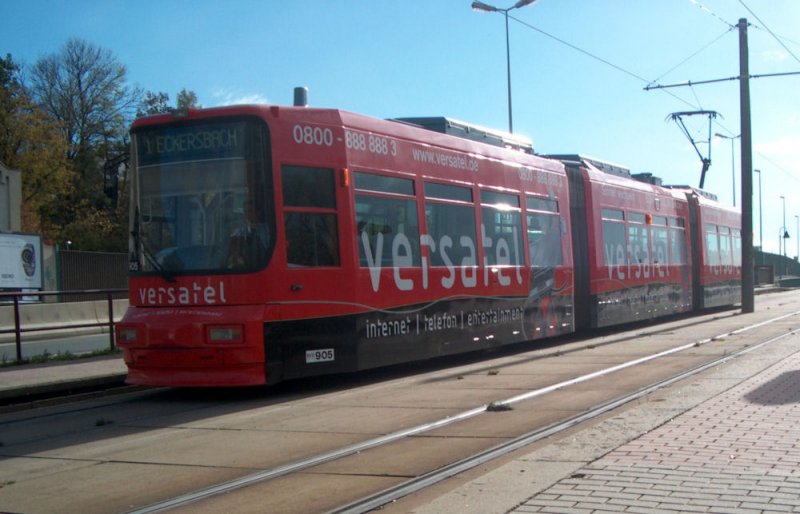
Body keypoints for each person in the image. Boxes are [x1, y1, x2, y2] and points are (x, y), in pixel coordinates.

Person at [228, 200, 269, 268]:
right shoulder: (240, 230)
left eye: (250, 211)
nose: (247, 214)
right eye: (245, 211)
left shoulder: (266, 229)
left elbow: (267, 247)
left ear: (257, 212)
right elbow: (233, 247)